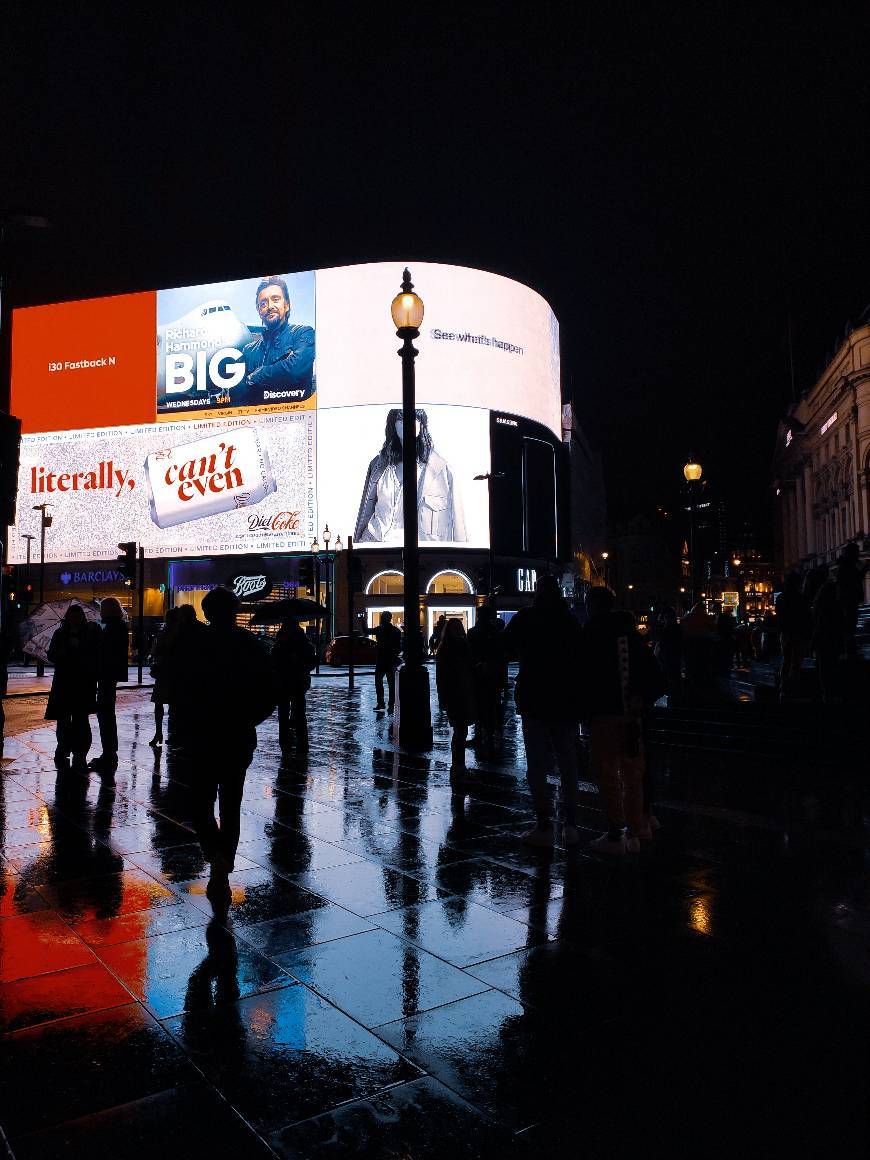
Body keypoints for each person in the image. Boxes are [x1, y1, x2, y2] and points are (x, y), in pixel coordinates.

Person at [165, 586, 276, 912]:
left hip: (202, 734)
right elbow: (268, 691)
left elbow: (179, 689)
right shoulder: (250, 644)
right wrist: (249, 719)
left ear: (208, 613)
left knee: (199, 803)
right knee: (230, 805)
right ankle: (222, 863)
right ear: (234, 611)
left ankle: (216, 856)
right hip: (235, 734)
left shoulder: (193, 644)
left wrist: (184, 725)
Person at [581, 586, 667, 855]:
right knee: (633, 773)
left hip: (603, 713)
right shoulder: (630, 635)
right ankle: (636, 828)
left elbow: (580, 677)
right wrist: (641, 699)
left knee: (606, 773)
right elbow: (656, 676)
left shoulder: (590, 634)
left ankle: (616, 832)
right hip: (631, 715)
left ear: (592, 606)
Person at [503, 574, 583, 847]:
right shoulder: (570, 620)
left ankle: (544, 824)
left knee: (537, 763)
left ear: (537, 592)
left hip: (535, 698)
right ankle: (571, 824)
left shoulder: (527, 617)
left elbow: (504, 647)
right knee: (567, 761)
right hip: (566, 698)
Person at [354, 408, 466, 544]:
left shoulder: (442, 470)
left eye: (413, 418)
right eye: (400, 418)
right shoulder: (378, 465)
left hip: (420, 552)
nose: (406, 423)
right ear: (393, 424)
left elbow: (459, 525)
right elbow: (366, 510)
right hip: (375, 543)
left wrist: (463, 556)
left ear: (422, 424)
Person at [234, 276, 315, 406]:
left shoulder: (303, 333)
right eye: (263, 303)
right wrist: (280, 368)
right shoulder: (249, 350)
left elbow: (295, 370)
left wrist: (256, 376)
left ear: (287, 305)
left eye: (275, 300)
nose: (270, 306)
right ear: (259, 311)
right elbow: (237, 393)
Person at [46, 605, 100, 773]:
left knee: (81, 719)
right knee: (63, 719)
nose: (75, 620)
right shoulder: (60, 634)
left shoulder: (89, 633)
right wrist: (62, 651)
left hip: (83, 682)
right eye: (72, 616)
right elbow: (52, 655)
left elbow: (95, 655)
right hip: (64, 681)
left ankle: (80, 751)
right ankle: (63, 747)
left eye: (78, 617)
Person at [88, 597, 130, 776]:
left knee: (105, 714)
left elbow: (106, 652)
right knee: (106, 713)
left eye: (102, 609)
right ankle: (109, 752)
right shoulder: (117, 626)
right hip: (109, 674)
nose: (100, 612)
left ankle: (109, 753)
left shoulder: (114, 627)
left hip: (107, 674)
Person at [435, 619, 477, 776]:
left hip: (452, 694)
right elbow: (470, 667)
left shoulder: (444, 648)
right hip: (462, 693)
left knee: (458, 731)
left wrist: (442, 697)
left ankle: (457, 765)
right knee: (461, 731)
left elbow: (440, 676)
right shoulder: (461, 645)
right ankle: (459, 766)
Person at [272, 617, 317, 753]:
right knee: (298, 713)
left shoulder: (281, 641)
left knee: (285, 713)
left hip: (286, 681)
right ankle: (301, 742)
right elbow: (311, 662)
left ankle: (286, 742)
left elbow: (274, 661)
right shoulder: (303, 641)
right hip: (297, 681)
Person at [467, 605, 507, 751]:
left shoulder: (473, 633)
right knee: (491, 705)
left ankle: (480, 734)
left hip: (478, 674)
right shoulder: (495, 633)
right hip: (492, 675)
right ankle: (488, 734)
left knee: (479, 704)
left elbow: (469, 654)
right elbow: (501, 656)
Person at [775, 573, 811, 700]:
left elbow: (779, 618)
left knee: (786, 661)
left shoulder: (780, 598)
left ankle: (784, 687)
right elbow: (805, 617)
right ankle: (794, 687)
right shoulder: (800, 598)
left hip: (785, 633)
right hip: (798, 633)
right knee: (796, 662)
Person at [834, 542, 868, 657]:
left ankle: (849, 649)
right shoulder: (847, 566)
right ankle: (849, 651)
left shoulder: (846, 565)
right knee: (849, 627)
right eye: (856, 552)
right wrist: (864, 569)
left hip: (849, 600)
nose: (858, 555)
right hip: (848, 601)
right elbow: (854, 580)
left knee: (850, 627)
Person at [367, 611, 403, 712]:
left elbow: (366, 631)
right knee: (391, 683)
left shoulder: (379, 629)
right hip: (390, 659)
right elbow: (399, 647)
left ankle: (381, 703)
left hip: (381, 659)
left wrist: (361, 619)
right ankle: (391, 704)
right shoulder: (396, 631)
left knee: (379, 682)